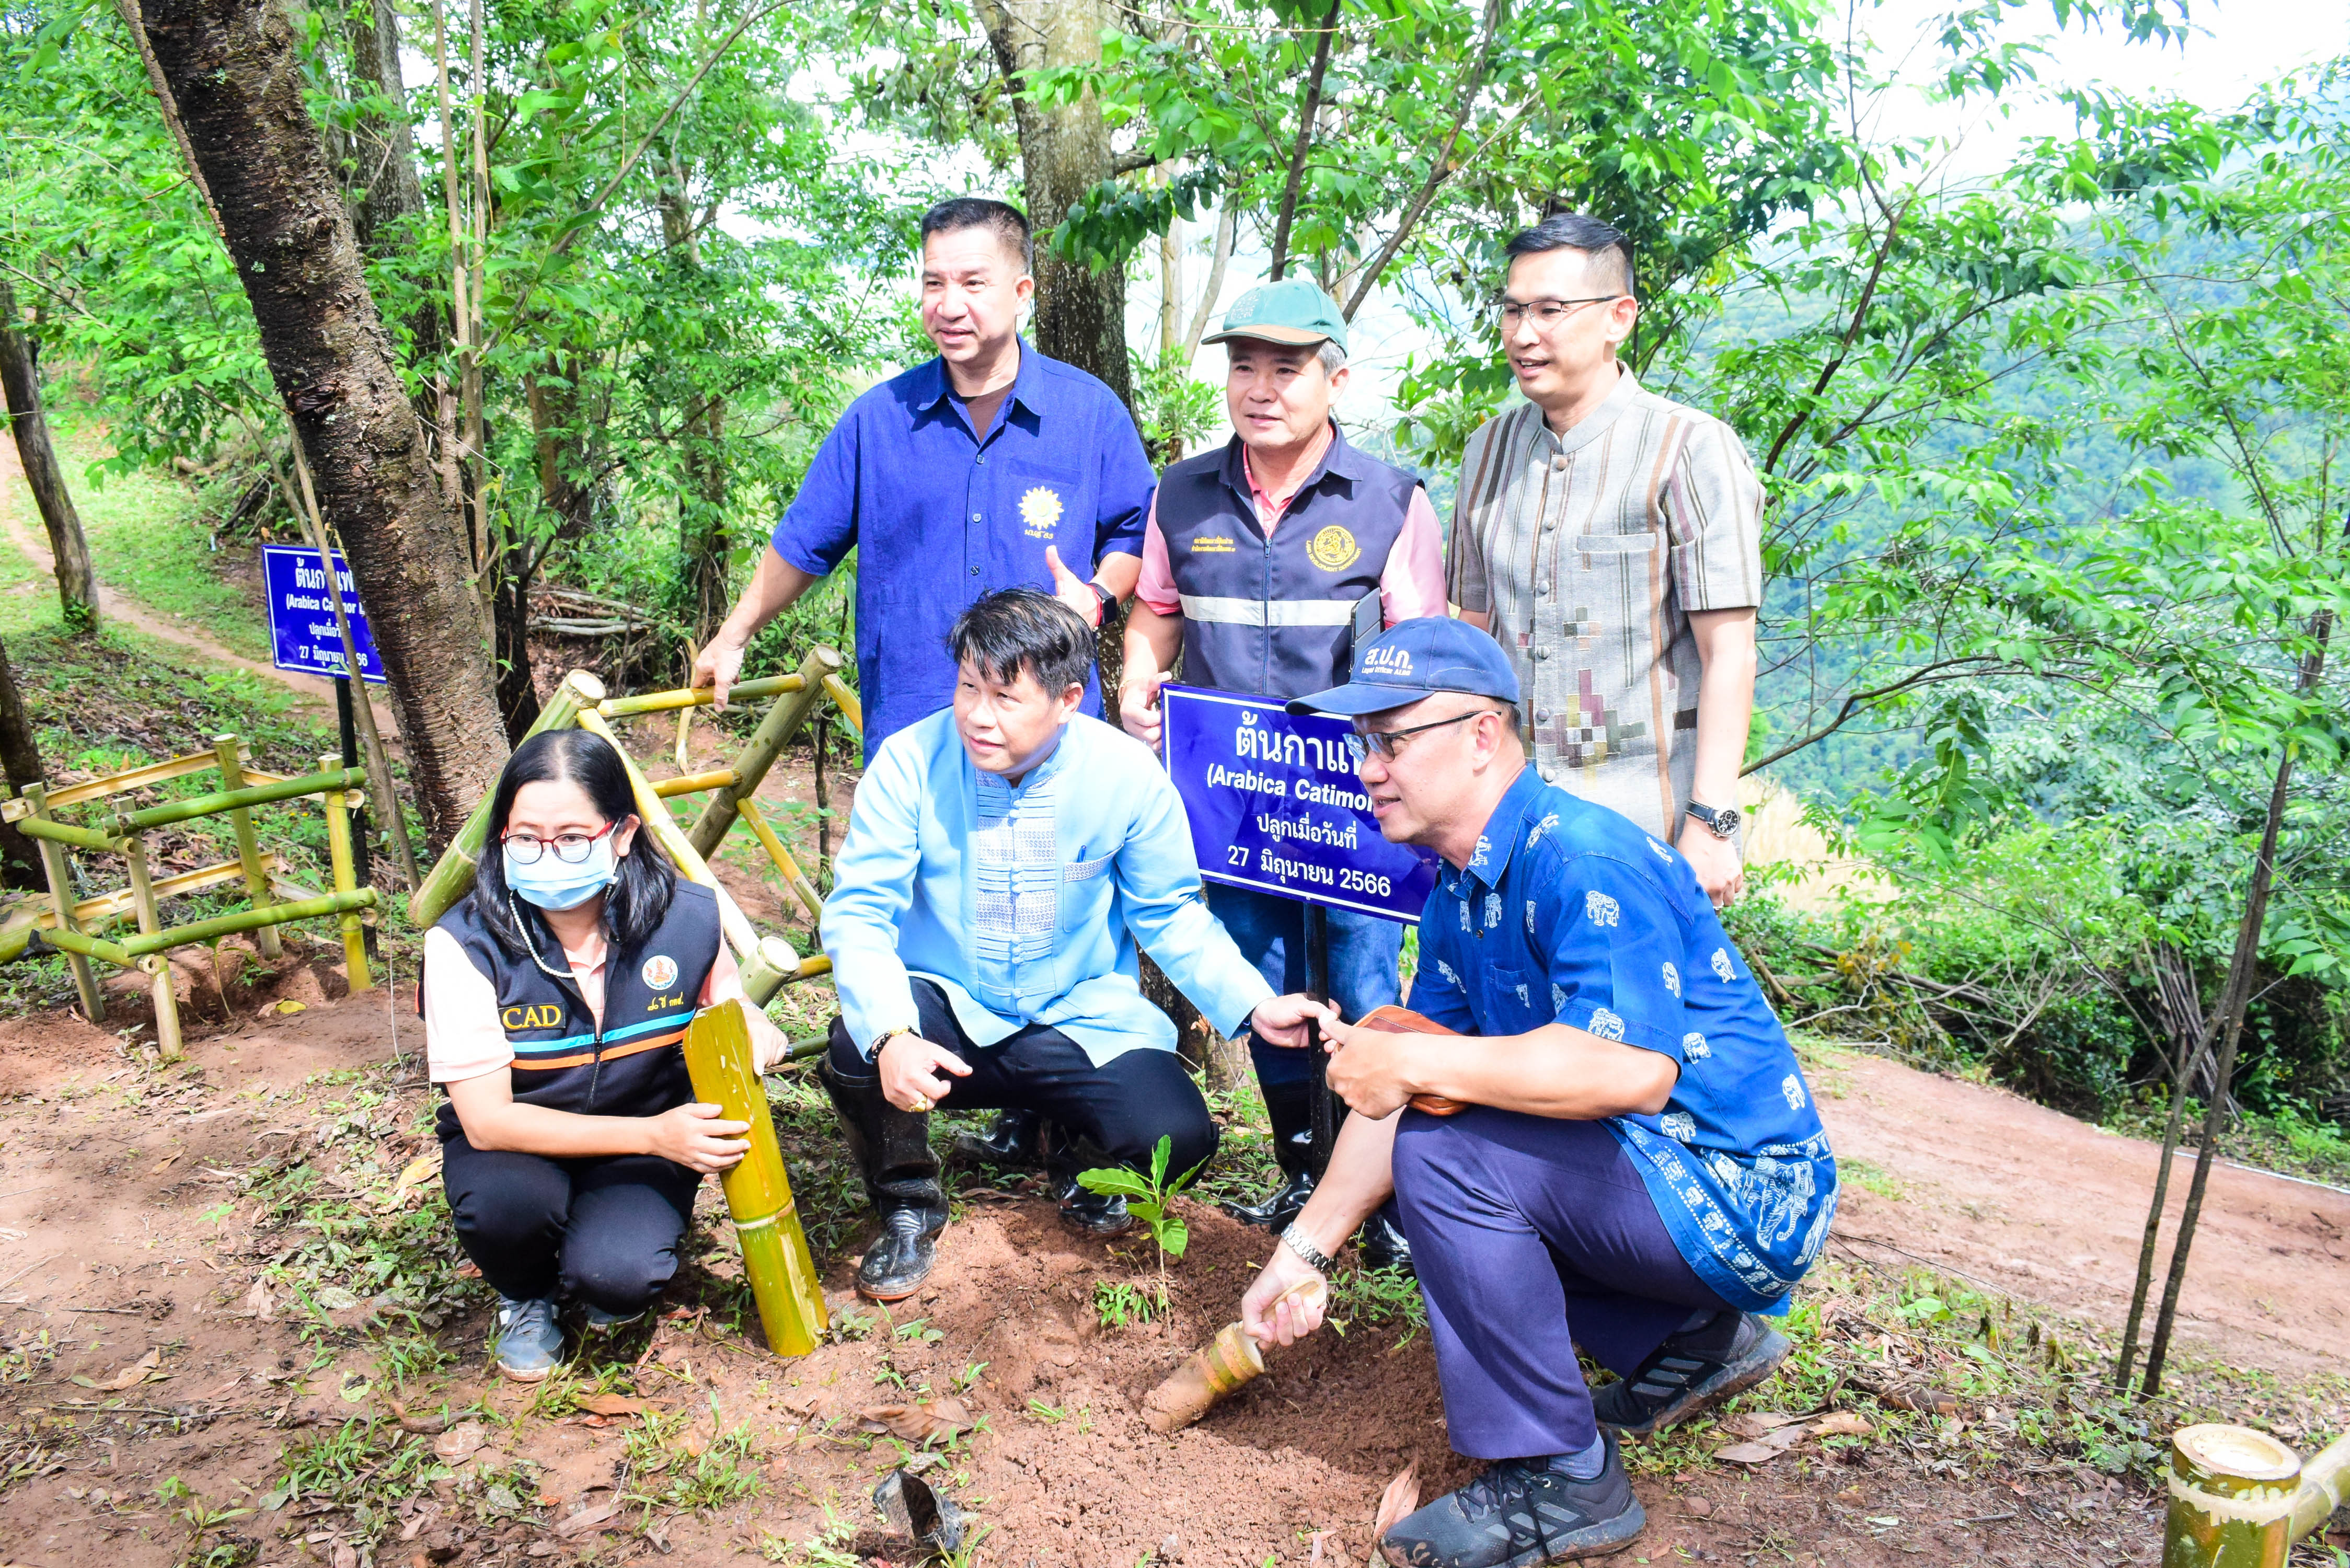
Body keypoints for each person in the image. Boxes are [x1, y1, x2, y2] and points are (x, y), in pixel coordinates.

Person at [1240, 617, 1836, 1567]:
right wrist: (1302, 1251)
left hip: (1744, 1194)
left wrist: (1415, 1070)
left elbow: (1629, 1072)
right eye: (1362, 744)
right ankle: (1690, 1340)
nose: (1368, 769)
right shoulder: (1461, 887)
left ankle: (1563, 1476)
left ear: (1483, 736)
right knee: (1440, 1125)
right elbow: (1412, 1069)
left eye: (1391, 741)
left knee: (1448, 1155)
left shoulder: (1582, 859)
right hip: (1660, 1177)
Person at [818, 588, 1327, 1300]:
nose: (979, 715)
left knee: (1177, 1136)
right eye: (968, 688)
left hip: (1080, 1018)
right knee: (857, 1047)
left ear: (1067, 700)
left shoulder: (1126, 775)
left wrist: (1253, 1003)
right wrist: (893, 1034)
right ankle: (907, 1204)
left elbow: (1169, 913)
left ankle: (1080, 1161)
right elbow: (861, 913)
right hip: (949, 1011)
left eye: (1005, 697)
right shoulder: (909, 763)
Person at [1119, 277, 1445, 1248]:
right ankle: (1302, 1172)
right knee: (1264, 985)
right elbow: (1157, 614)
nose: (1261, 389)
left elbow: (1424, 655)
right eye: (1244, 367)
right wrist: (1137, 680)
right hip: (1232, 806)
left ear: (1334, 381)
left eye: (1287, 369)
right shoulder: (1182, 493)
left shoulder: (1390, 500)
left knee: (1366, 983)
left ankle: (1380, 1195)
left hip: (1356, 807)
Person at [689, 197, 1154, 757]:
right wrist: (733, 635)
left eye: (973, 283)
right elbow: (804, 542)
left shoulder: (1089, 413)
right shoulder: (878, 420)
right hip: (912, 731)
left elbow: (1135, 534)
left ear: (1021, 293)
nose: (949, 305)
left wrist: (1096, 598)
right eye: (934, 283)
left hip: (1049, 733)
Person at [421, 731, 792, 1381]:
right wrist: (656, 1135)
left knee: (618, 1279)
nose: (547, 856)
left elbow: (728, 1005)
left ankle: (597, 1262)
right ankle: (526, 1294)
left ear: (622, 835)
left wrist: (756, 1026)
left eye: (571, 838)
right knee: (506, 1210)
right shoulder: (464, 944)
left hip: (643, 1136)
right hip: (520, 1142)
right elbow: (486, 1121)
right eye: (525, 839)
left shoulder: (687, 917)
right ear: (501, 838)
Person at [1445, 213, 1764, 909]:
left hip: (1644, 828)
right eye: (1512, 310)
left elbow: (1730, 653)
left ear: (1619, 317)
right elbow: (1473, 626)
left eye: (1550, 310)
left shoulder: (1689, 449)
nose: (1523, 334)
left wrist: (1711, 823)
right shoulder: (1487, 453)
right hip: (1507, 820)